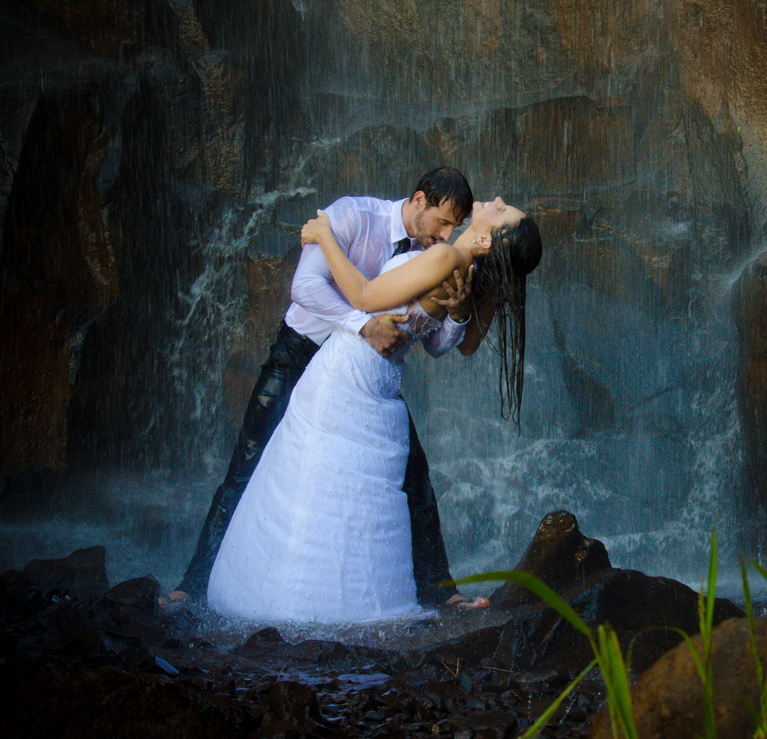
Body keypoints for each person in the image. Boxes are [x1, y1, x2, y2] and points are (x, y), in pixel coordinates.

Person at [206, 197, 542, 623]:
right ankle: (347, 595)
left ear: (487, 240)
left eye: (503, 211)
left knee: (311, 475)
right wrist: (458, 313)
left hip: (349, 368)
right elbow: (466, 345)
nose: (497, 201)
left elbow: (364, 296)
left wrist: (325, 237)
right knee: (347, 483)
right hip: (382, 376)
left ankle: (289, 591)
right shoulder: (474, 275)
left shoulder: (446, 257)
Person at [166, 167, 477, 611]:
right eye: (443, 222)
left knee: (415, 478)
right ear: (419, 199)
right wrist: (363, 324)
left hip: (361, 375)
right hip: (301, 353)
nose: (446, 236)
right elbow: (304, 286)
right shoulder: (352, 216)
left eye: (455, 228)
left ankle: (442, 594)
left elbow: (434, 344)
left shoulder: (435, 257)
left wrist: (459, 313)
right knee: (247, 463)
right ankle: (193, 585)